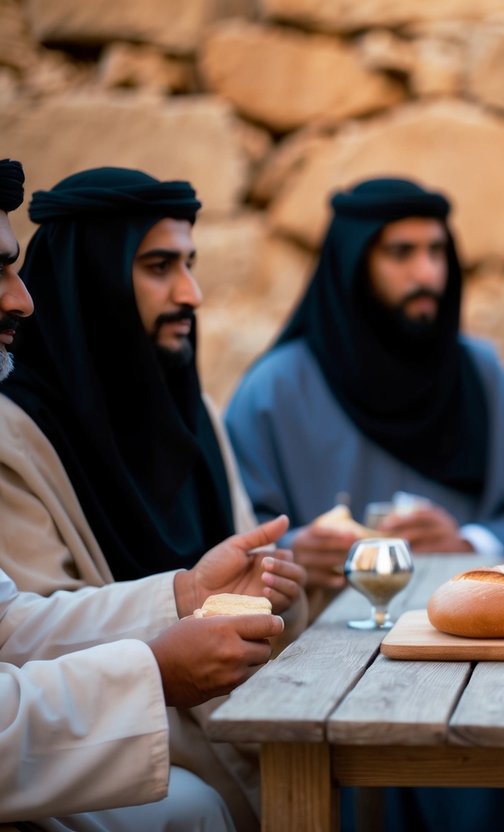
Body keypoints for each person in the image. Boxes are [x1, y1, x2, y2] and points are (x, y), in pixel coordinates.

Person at [224, 176, 504, 832]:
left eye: (437, 251)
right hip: (328, 692)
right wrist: (299, 557)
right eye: (400, 253)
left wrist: (471, 543)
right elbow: (231, 548)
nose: (426, 272)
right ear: (354, 264)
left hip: (478, 688)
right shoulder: (272, 392)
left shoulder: (483, 377)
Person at [0, 158, 303, 831]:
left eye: (191, 264)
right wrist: (164, 659)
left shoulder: (197, 414)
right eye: (160, 266)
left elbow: (10, 620)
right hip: (124, 750)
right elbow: (27, 642)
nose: (191, 293)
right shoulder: (13, 438)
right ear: (95, 280)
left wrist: (225, 588)